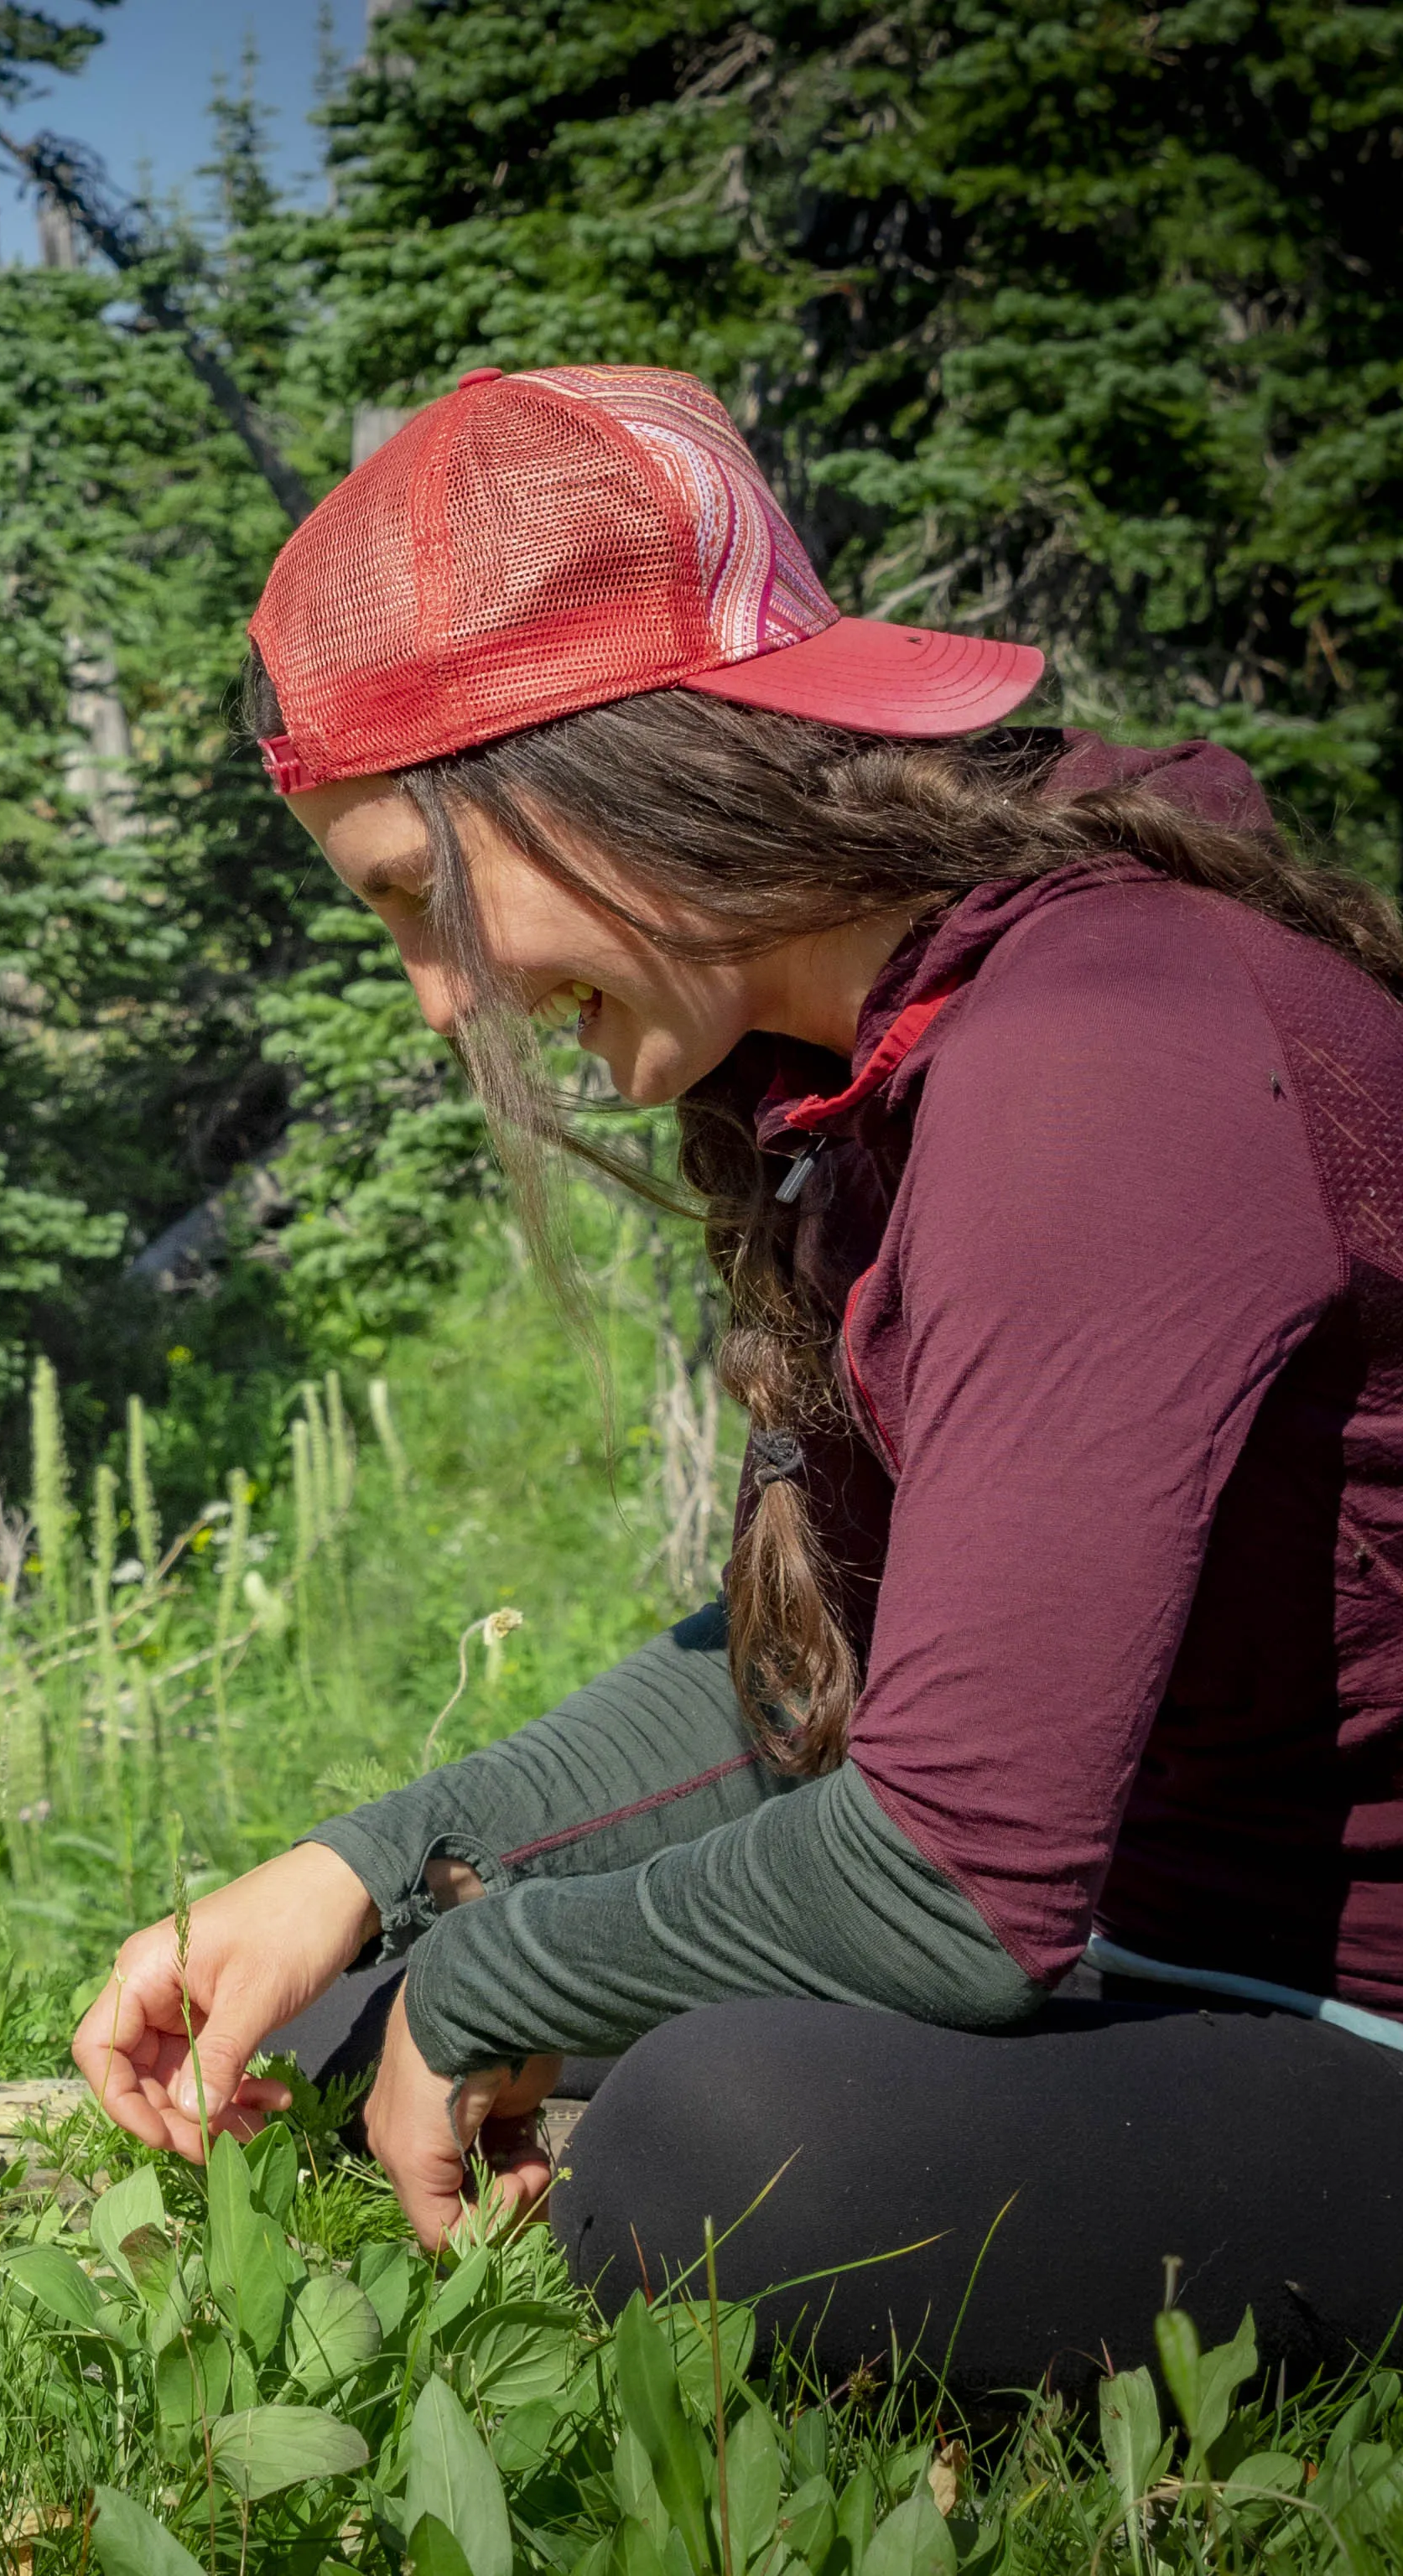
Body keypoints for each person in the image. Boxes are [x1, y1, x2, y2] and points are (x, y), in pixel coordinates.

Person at [74, 364, 1403, 2392]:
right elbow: (817, 1663)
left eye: (424, 901)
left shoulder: (1100, 1061)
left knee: (718, 2151)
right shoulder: (877, 1069)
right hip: (1141, 1960)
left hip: (1337, 2012)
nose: (442, 1003)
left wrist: (503, 1965)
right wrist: (375, 1868)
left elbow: (960, 1880)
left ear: (605, 768)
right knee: (353, 2009)